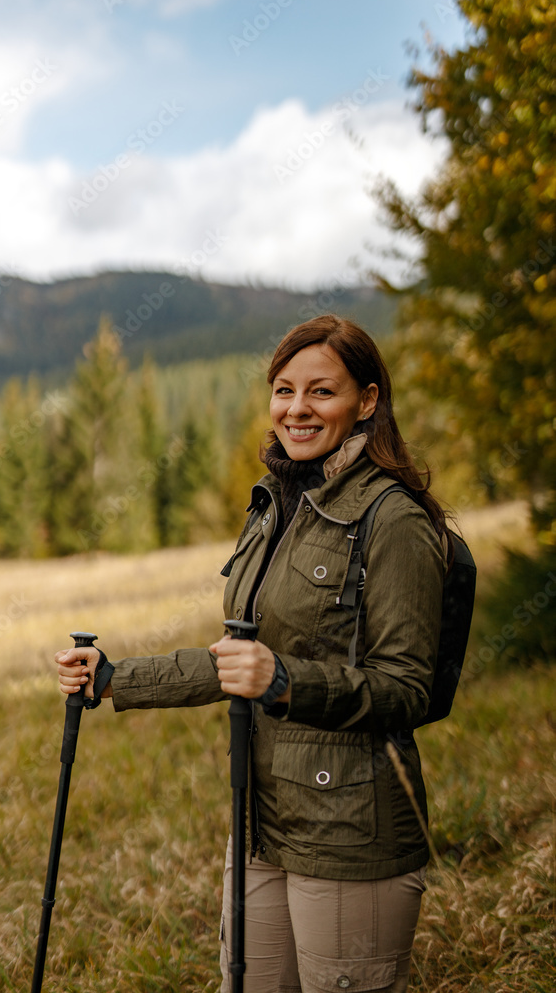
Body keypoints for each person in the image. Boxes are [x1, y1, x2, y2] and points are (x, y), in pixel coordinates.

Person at [55, 314, 448, 993]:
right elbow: (240, 657)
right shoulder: (275, 506)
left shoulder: (394, 520)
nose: (296, 409)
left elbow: (405, 689)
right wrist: (116, 680)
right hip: (261, 821)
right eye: (283, 390)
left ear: (367, 400)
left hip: (350, 832)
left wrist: (287, 681)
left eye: (320, 392)